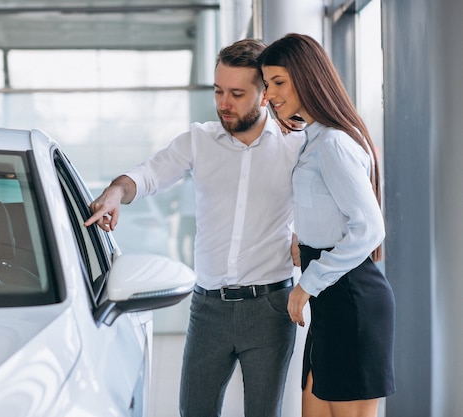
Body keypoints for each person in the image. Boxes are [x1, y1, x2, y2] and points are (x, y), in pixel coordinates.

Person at [84, 38, 304, 417]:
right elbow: (149, 174)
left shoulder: (294, 144)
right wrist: (117, 192)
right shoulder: (199, 140)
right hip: (209, 309)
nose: (223, 103)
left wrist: (308, 237)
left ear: (264, 93)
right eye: (218, 91)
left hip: (270, 309)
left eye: (236, 93)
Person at [258, 33, 396, 417]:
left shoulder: (334, 142)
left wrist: (305, 286)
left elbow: (369, 229)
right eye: (267, 85)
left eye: (278, 83)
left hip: (351, 299)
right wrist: (302, 240)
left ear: (307, 77)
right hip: (333, 299)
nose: (269, 95)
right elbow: (327, 207)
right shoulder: (313, 139)